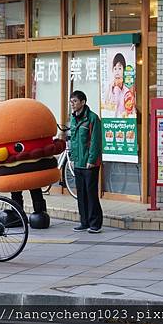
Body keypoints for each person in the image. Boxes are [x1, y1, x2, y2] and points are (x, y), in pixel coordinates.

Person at [69, 90, 103, 233]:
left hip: (90, 163)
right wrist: (72, 158)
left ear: (83, 102)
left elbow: (95, 141)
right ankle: (84, 222)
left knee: (91, 193)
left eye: (75, 101)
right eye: (71, 101)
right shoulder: (73, 118)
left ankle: (95, 223)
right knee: (81, 193)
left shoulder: (92, 118)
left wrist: (91, 159)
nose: (72, 104)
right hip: (78, 163)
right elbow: (74, 141)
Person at [105, 53, 131, 118]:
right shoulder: (110, 87)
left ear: (124, 70)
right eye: (115, 68)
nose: (117, 72)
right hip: (111, 122)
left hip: (124, 122)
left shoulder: (127, 89)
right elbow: (106, 104)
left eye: (119, 68)